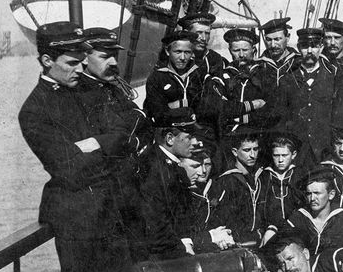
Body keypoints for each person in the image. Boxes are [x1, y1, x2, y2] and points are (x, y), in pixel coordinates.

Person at [19, 21, 132, 272]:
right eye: (71, 63)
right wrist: (101, 143)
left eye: (82, 62)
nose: (80, 69)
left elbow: (123, 136)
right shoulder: (35, 110)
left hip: (111, 211)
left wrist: (88, 145)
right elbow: (68, 168)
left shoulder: (88, 91)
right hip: (79, 221)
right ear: (47, 61)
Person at [78, 27, 153, 254]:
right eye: (104, 56)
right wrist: (130, 131)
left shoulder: (113, 86)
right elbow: (113, 134)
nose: (112, 62)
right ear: (83, 58)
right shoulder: (81, 93)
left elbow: (141, 119)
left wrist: (128, 129)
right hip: (106, 194)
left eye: (114, 56)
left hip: (129, 187)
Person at [138, 107, 233, 259]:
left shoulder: (171, 166)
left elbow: (181, 220)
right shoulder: (151, 168)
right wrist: (202, 241)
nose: (195, 142)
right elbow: (156, 229)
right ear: (170, 138)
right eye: (189, 137)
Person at [279, 27, 343, 160]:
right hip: (297, 152)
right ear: (298, 48)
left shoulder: (334, 76)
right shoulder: (287, 78)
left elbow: (339, 117)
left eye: (314, 46)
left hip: (326, 151)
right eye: (305, 47)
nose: (309, 51)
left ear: (321, 47)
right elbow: (283, 118)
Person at [200, 28, 267, 138]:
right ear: (230, 50)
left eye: (245, 50)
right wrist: (253, 105)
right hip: (227, 135)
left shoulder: (265, 75)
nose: (241, 55)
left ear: (253, 49)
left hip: (257, 135)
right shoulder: (220, 76)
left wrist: (238, 117)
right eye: (236, 50)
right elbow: (215, 106)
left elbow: (272, 109)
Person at [211, 128, 266, 245]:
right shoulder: (226, 180)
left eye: (255, 149)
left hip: (261, 240)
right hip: (236, 243)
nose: (252, 155)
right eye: (247, 150)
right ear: (235, 152)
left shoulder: (261, 177)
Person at [143, 31, 202, 123]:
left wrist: (171, 106)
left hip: (196, 128)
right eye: (178, 52)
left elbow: (207, 108)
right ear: (167, 51)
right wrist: (186, 106)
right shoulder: (157, 77)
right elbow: (158, 113)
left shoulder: (199, 74)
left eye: (187, 52)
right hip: (168, 129)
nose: (182, 57)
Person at [258, 134, 305, 230]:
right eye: (276, 155)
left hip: (296, 228)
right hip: (270, 230)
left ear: (294, 155)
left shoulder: (300, 175)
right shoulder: (264, 177)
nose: (280, 160)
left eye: (284, 155)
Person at [177, 12, 226, 80]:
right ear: (186, 33)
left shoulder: (214, 59)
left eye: (207, 33)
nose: (203, 38)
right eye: (199, 33)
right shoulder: (175, 57)